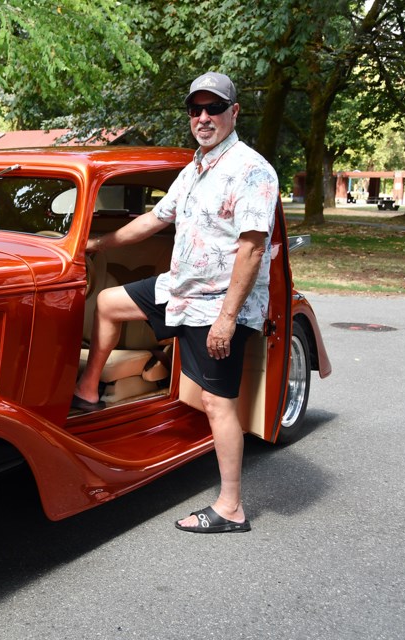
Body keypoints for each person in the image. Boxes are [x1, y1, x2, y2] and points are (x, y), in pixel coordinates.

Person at [72, 71, 278, 534]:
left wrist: (227, 319)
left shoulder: (252, 170)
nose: (204, 118)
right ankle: (87, 392)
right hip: (178, 289)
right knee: (107, 303)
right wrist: (96, 245)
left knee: (216, 401)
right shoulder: (195, 167)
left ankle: (231, 507)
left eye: (214, 108)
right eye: (196, 109)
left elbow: (252, 248)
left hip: (219, 303)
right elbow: (154, 219)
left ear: (234, 112)